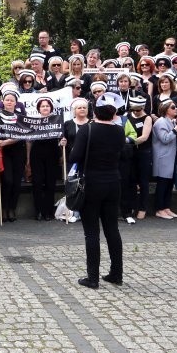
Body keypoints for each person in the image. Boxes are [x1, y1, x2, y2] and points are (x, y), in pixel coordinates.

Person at [69, 92, 125, 289]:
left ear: (95, 111)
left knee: (91, 232)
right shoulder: (119, 131)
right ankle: (116, 274)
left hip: (91, 183)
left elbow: (74, 156)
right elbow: (123, 154)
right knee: (112, 229)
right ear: (113, 112)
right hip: (113, 182)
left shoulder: (87, 129)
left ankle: (92, 278)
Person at [27, 96, 64, 221]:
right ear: (38, 109)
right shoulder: (33, 122)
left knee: (50, 183)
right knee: (37, 182)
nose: (45, 108)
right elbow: (29, 141)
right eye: (42, 106)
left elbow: (60, 138)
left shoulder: (57, 120)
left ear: (51, 108)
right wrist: (27, 159)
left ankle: (48, 211)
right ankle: (38, 211)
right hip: (37, 154)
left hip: (52, 154)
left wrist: (62, 144)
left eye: (47, 106)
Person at [0, 90, 26, 222]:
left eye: (11, 100)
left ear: (16, 102)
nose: (9, 102)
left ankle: (12, 208)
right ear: (3, 101)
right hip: (3, 152)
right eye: (7, 100)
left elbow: (23, 133)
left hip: (18, 151)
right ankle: (4, 208)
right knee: (7, 180)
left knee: (16, 182)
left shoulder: (21, 116)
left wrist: (6, 141)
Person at [152, 100, 177, 219]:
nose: (176, 109)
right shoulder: (160, 123)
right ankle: (159, 209)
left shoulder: (170, 121)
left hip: (170, 157)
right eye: (173, 107)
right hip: (163, 158)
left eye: (176, 107)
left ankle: (166, 207)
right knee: (162, 184)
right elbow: (164, 139)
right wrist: (175, 130)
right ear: (166, 109)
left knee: (169, 184)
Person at [127, 96, 153, 220]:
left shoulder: (147, 118)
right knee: (131, 180)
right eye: (134, 110)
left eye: (139, 110)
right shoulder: (127, 116)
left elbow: (144, 137)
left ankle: (143, 207)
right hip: (130, 153)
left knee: (143, 181)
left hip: (143, 152)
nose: (136, 112)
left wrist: (129, 142)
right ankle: (131, 206)